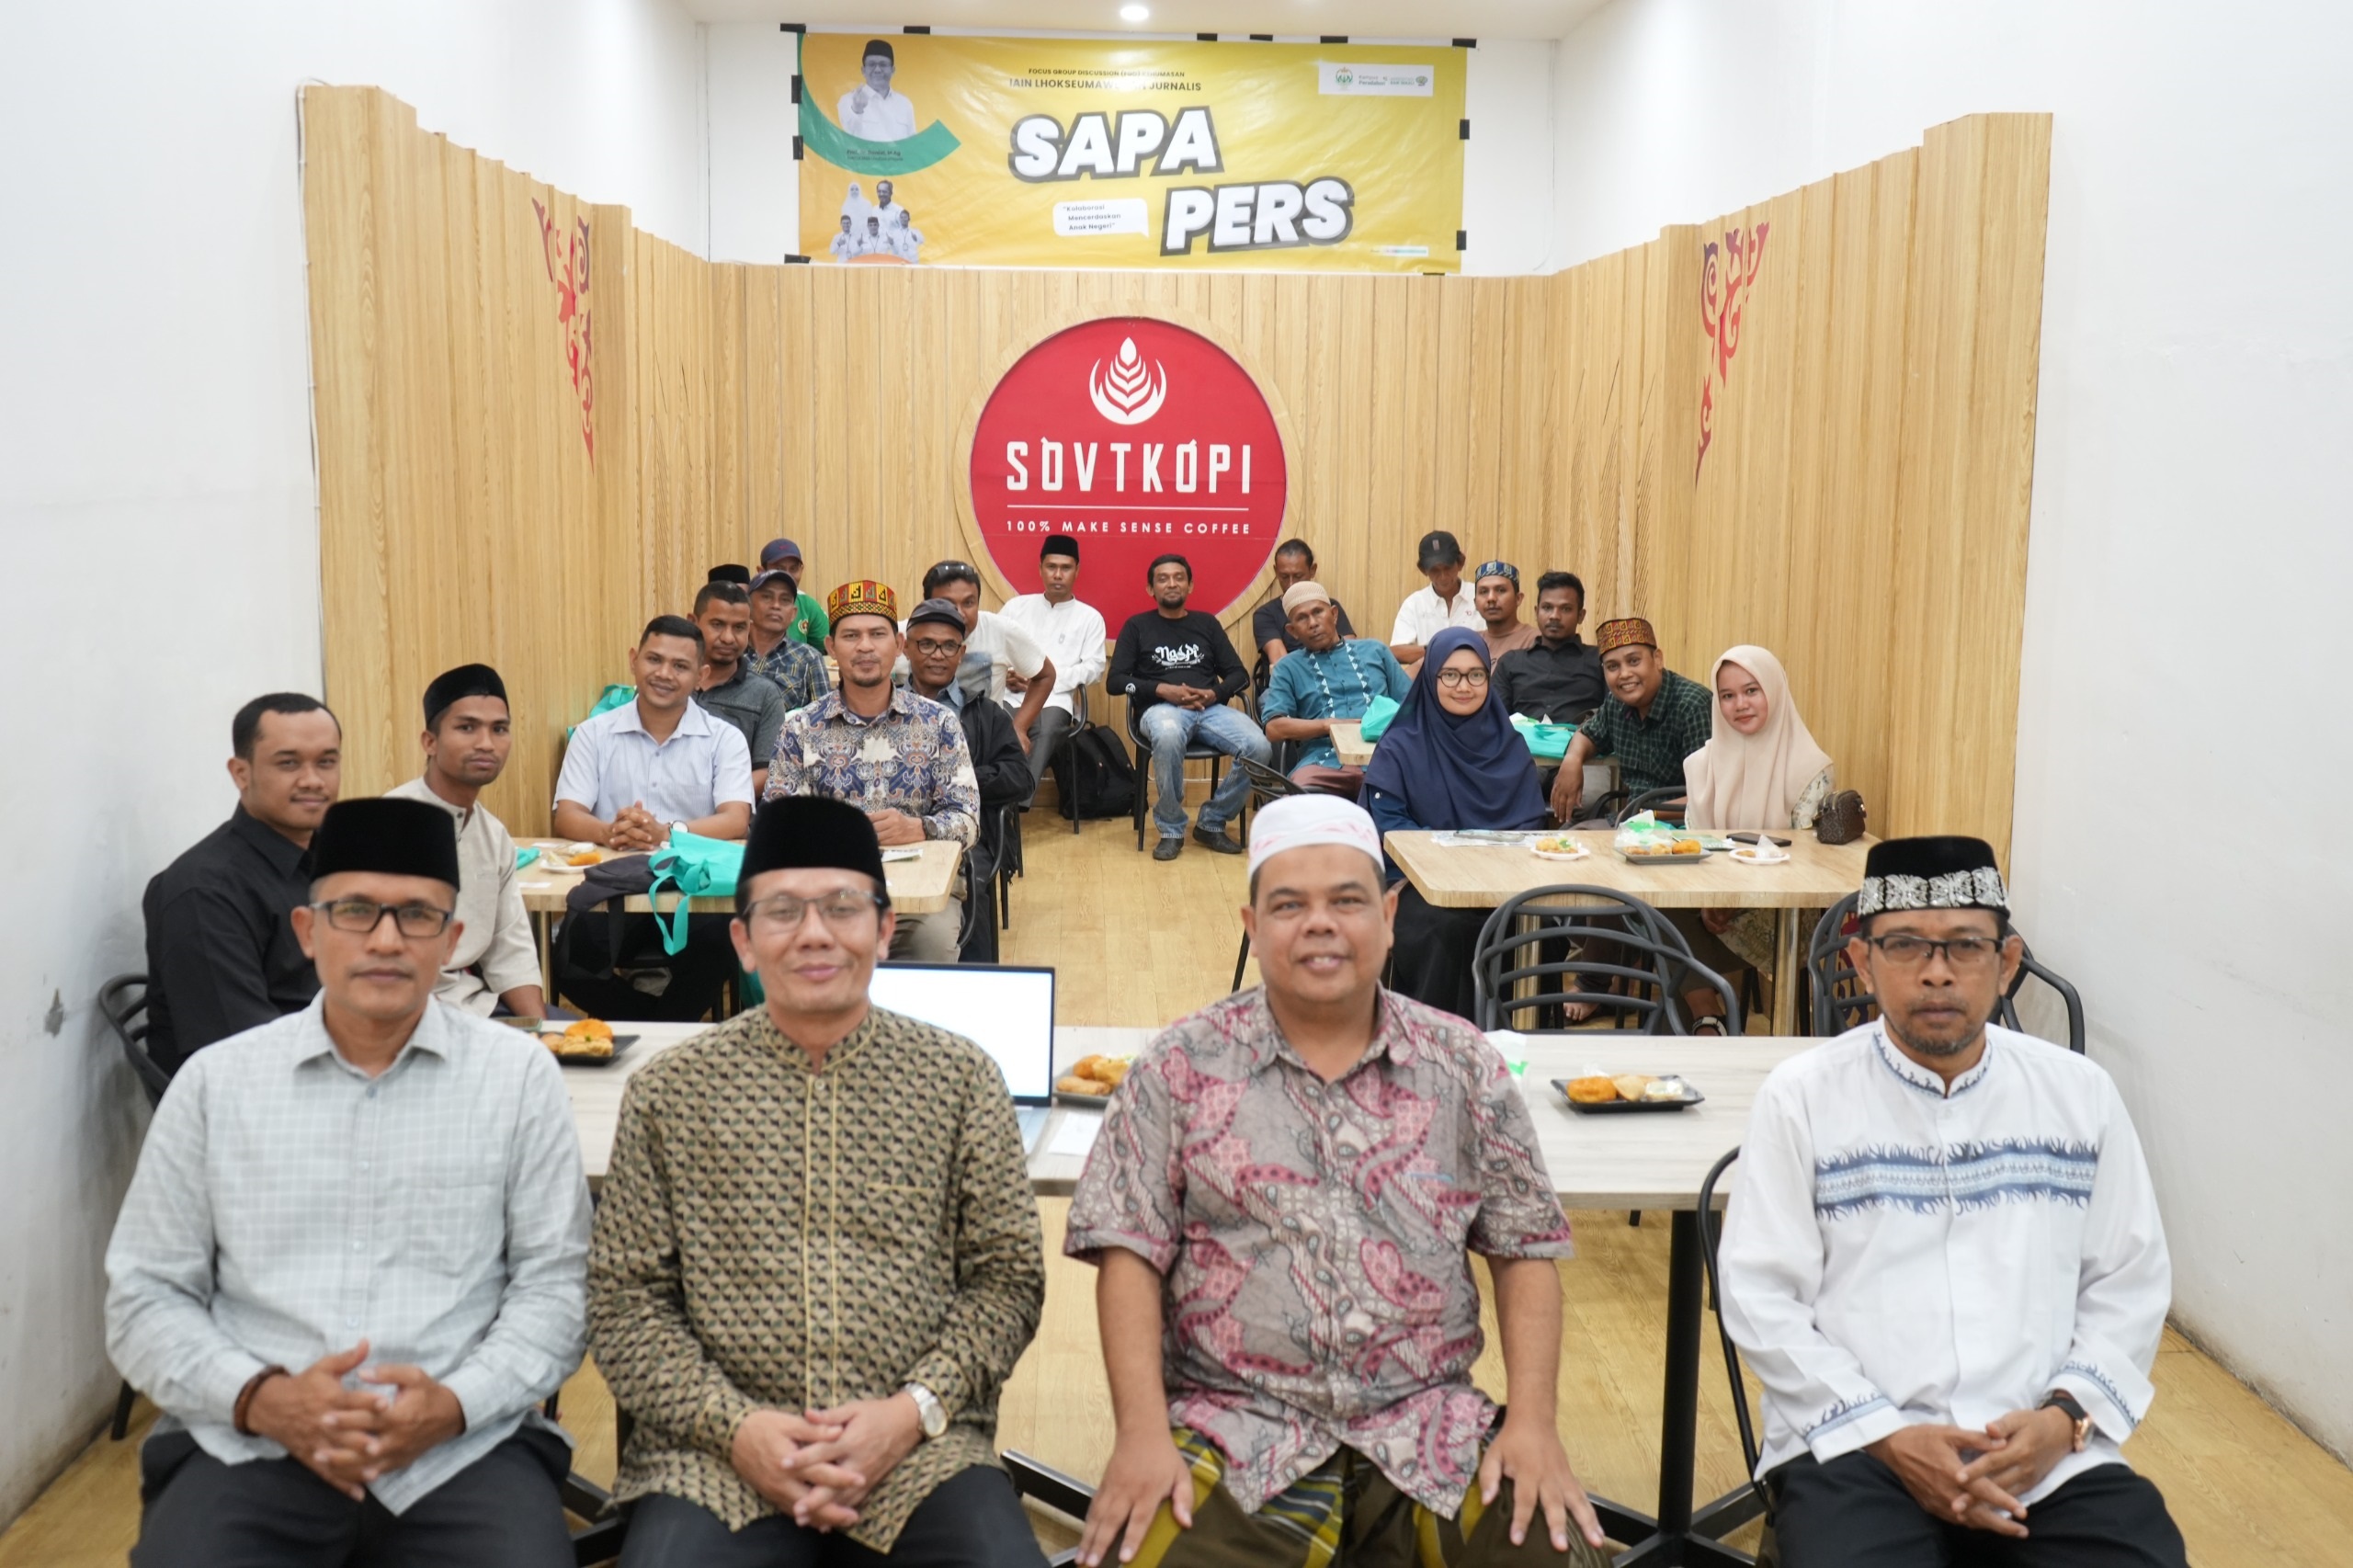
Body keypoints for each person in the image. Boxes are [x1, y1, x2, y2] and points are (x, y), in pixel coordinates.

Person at [1065, 794, 1611, 1568]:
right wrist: (1141, 1437)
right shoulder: (1178, 1067)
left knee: (1555, 1553)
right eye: (1288, 905)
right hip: (1234, 1426)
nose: (1319, 923)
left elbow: (1524, 1251)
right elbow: (1128, 1254)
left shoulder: (1462, 1065)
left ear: (1390, 916)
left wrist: (1533, 1424)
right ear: (1252, 929)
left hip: (1430, 1427)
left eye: (1347, 901)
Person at [107, 797, 592, 1568]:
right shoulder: (219, 1084)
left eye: (418, 917)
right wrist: (262, 1398)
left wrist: (455, 1402)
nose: (387, 940)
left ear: (454, 941)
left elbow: (557, 1286)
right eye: (356, 911)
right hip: (254, 1443)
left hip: (460, 1447)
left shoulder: (517, 1077)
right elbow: (145, 1294)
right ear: (309, 931)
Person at [586, 796, 1047, 1568]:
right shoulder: (671, 1092)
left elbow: (1008, 1282)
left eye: (842, 907)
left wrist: (909, 1412)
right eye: (783, 912)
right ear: (741, 940)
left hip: (919, 1452)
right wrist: (736, 1428)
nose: (814, 934)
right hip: (715, 1459)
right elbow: (625, 1304)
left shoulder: (961, 1079)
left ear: (884, 927)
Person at [1719, 836, 2187, 1568]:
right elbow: (1760, 1295)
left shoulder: (2078, 1095)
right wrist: (1889, 1436)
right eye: (1905, 946)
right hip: (1856, 1449)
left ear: (2006, 964)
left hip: (2044, 1454)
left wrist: (2063, 1421)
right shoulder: (1802, 1097)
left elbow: (2128, 1282)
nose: (1937, 974)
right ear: (1861, 962)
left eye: (1965, 947)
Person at [765, 582, 979, 962]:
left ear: (898, 645)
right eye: (851, 636)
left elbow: (968, 820)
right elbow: (776, 825)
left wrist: (919, 828)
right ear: (831, 649)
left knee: (931, 944)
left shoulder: (939, 723)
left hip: (918, 901)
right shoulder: (800, 728)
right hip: (826, 897)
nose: (865, 647)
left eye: (877, 634)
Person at [552, 617, 754, 1022]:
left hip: (694, 896)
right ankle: (666, 1031)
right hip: (613, 893)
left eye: (680, 666)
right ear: (634, 660)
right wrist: (608, 831)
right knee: (566, 958)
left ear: (702, 675)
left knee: (722, 939)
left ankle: (654, 1035)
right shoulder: (593, 734)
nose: (664, 674)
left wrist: (667, 833)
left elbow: (735, 819)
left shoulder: (724, 738)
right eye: (654, 659)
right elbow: (567, 815)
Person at [142, 693, 342, 1073]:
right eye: (289, 763)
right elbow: (239, 1055)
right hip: (260, 1098)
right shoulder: (205, 890)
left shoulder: (329, 859)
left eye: (327, 762)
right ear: (240, 773)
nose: (313, 780)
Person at [1360, 628, 1549, 1019]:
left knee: (1542, 928)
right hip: (1418, 884)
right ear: (1431, 678)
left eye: (1475, 674)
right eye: (1450, 674)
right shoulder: (1400, 747)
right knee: (1450, 929)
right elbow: (1390, 830)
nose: (1464, 686)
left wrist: (1487, 867)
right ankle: (1437, 1047)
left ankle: (1522, 1051)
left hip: (1502, 884)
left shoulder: (1509, 744)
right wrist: (1461, 857)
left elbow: (1530, 824)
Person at [1669, 646, 1837, 1025]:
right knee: (1656, 907)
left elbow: (1810, 865)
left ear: (1774, 692)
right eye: (1727, 696)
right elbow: (1695, 847)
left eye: (1751, 691)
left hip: (1782, 918)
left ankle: (1705, 1024)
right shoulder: (1701, 765)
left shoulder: (1810, 769)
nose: (1739, 704)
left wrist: (1734, 897)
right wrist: (1710, 898)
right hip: (1707, 907)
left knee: (1671, 943)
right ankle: (1706, 1019)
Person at [384, 665, 544, 1020]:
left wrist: (543, 1035)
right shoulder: (391, 823)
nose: (486, 743)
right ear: (430, 741)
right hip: (408, 1014)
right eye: (467, 727)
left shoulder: (493, 834)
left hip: (479, 1007)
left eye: (499, 729)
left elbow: (510, 949)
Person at [1108, 553, 1270, 860]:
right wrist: (1161, 689)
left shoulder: (1206, 624)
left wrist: (1214, 693)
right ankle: (1170, 829)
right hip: (1160, 710)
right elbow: (1115, 682)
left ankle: (1212, 822)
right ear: (1150, 589)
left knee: (1259, 747)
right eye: (1163, 578)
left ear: (1190, 585)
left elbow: (1238, 674)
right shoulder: (1137, 626)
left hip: (1209, 709)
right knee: (1167, 736)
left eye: (1179, 577)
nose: (1172, 583)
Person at [904, 597, 1028, 963]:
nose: (937, 655)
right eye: (926, 644)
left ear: (962, 653)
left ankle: (975, 988)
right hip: (894, 831)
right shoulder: (884, 707)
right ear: (907, 648)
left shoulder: (985, 712)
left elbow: (1020, 777)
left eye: (948, 646)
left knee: (971, 885)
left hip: (969, 839)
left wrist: (961, 780)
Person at [1549, 617, 1712, 824]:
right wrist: (1572, 760)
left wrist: (1643, 815)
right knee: (1565, 844)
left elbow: (1706, 798)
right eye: (1612, 666)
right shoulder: (1617, 703)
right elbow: (1588, 734)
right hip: (1631, 823)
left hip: (1682, 829)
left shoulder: (1692, 705)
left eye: (1634, 661)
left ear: (1658, 659)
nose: (1624, 674)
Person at [1256, 580, 1410, 794]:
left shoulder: (1376, 651)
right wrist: (1326, 725)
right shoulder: (1288, 668)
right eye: (1302, 618)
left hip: (1386, 758)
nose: (1312, 623)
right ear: (1292, 631)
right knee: (1300, 797)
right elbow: (1274, 728)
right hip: (1322, 763)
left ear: (1334, 615)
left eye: (1318, 612)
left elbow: (1414, 706)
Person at [998, 533, 1108, 797]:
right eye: (1051, 567)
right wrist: (1006, 674)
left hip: (1056, 699)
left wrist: (1043, 681)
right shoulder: (1016, 608)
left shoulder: (1090, 618)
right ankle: (995, 799)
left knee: (1046, 731)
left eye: (1065, 568)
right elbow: (994, 650)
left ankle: (1017, 802)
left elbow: (1094, 668)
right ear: (1041, 569)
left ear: (1076, 571)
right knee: (996, 727)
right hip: (1010, 695)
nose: (1058, 575)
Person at [920, 559, 1055, 753]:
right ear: (928, 605)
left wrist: (1019, 727)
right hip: (921, 746)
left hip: (984, 746)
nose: (960, 614)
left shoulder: (1001, 630)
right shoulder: (907, 635)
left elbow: (1045, 675)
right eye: (948, 603)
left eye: (969, 603)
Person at [689, 580, 789, 796]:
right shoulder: (671, 683)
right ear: (694, 623)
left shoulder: (764, 694)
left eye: (739, 628)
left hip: (730, 816)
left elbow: (766, 772)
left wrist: (714, 799)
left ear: (749, 629)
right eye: (717, 624)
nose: (727, 637)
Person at [1493, 572, 1603, 725]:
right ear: (1536, 612)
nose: (1554, 616)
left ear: (1581, 615)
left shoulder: (1600, 660)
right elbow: (1495, 720)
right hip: (1522, 746)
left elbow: (1613, 716)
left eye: (1565, 609)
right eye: (1547, 607)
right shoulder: (1510, 662)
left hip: (1581, 745)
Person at [1249, 539, 1356, 667]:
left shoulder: (1328, 606)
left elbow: (1350, 654)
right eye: (1284, 577)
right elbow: (1281, 665)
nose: (1291, 584)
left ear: (1312, 570)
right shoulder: (1265, 614)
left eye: (1298, 576)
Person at [1389, 528, 1483, 666]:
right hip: (1429, 680)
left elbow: (1497, 640)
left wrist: (1432, 651)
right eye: (1435, 570)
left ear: (1460, 563)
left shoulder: (1482, 595)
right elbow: (1397, 651)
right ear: (1423, 570)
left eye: (1448, 568)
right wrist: (1445, 650)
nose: (1443, 577)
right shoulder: (1414, 603)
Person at [745, 565, 831, 710]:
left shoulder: (809, 658)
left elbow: (823, 720)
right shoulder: (730, 652)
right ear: (748, 606)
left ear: (793, 614)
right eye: (767, 597)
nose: (776, 605)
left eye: (785, 600)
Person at [837, 39, 919, 142]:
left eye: (883, 65)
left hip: (897, 159)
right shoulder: (848, 100)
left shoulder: (904, 103)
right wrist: (857, 110)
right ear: (863, 70)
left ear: (893, 70)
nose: (877, 70)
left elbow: (912, 143)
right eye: (871, 64)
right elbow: (849, 137)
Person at [757, 539, 831, 646]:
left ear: (801, 570)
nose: (788, 576)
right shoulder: (750, 602)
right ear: (761, 572)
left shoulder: (808, 605)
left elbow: (831, 647)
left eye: (793, 569)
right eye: (779, 569)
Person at [1473, 561, 1538, 662]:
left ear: (1518, 599)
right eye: (1484, 591)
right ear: (1475, 603)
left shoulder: (1535, 641)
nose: (1491, 598)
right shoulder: (1471, 642)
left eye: (1501, 590)